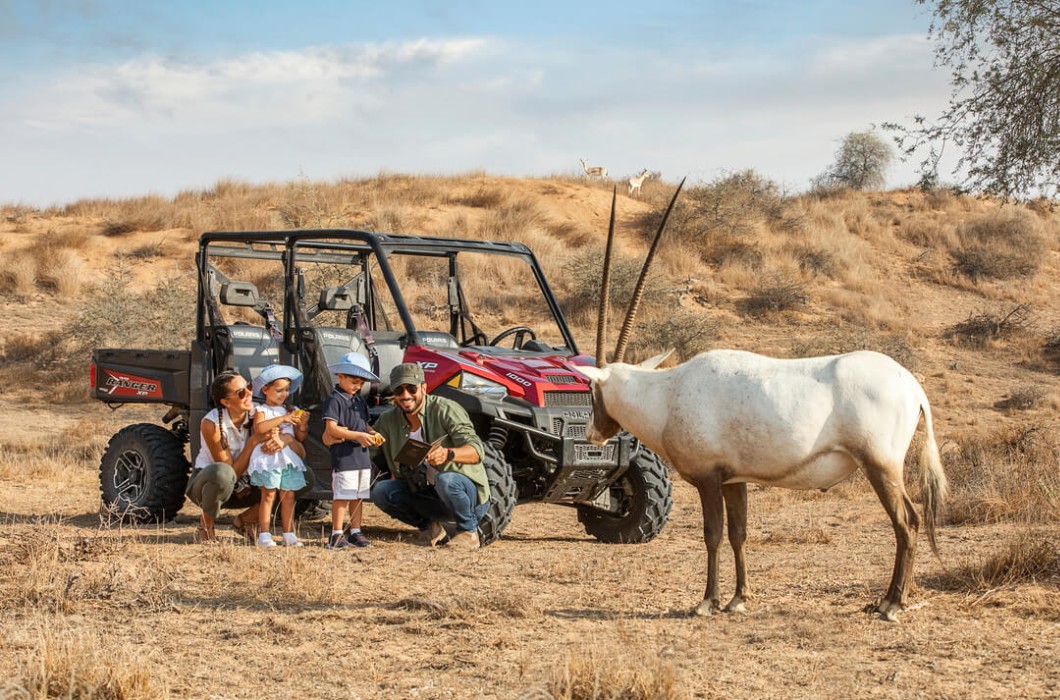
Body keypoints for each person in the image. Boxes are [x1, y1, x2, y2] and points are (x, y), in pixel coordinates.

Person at [371, 363, 490, 549]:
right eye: (399, 390)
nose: (406, 395)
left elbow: (477, 451)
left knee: (447, 479)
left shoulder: (445, 409)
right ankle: (431, 529)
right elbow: (367, 449)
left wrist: (448, 454)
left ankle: (468, 532)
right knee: (381, 491)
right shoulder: (387, 420)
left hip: (466, 495)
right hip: (427, 495)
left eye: (411, 388)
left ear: (424, 388)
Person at [185, 370, 305, 543]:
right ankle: (206, 525)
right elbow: (232, 473)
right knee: (222, 473)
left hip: (248, 484)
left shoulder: (260, 414)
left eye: (248, 386)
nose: (249, 393)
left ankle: (246, 520)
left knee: (298, 475)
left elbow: (301, 452)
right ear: (226, 402)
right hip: (211, 486)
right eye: (241, 392)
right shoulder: (211, 423)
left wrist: (287, 438)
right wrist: (253, 442)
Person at [322, 352, 382, 549]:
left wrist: (374, 434)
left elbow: (364, 425)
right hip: (344, 457)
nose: (357, 386)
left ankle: (356, 532)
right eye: (354, 381)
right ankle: (336, 534)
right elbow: (332, 429)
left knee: (358, 496)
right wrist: (358, 436)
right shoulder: (334, 400)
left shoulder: (359, 401)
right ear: (340, 376)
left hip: (361, 458)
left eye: (361, 383)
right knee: (342, 495)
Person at [248, 365, 309, 548]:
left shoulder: (290, 410)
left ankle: (288, 533)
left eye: (286, 390)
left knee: (289, 496)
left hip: (288, 459)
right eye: (278, 390)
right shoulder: (261, 410)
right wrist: (283, 419)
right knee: (268, 495)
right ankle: (264, 534)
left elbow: (300, 437)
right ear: (265, 389)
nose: (283, 394)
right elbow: (259, 428)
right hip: (268, 459)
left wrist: (302, 424)